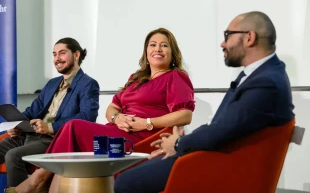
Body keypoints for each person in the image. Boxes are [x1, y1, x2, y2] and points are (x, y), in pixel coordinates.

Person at [114, 11, 295, 193]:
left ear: (249, 38)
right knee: (135, 171)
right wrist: (178, 142)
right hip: (212, 156)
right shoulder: (261, 75)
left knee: (125, 181)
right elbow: (222, 125)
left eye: (228, 35)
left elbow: (221, 131)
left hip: (218, 165)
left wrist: (178, 144)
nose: (223, 43)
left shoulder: (265, 82)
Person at [8, 28, 195, 193]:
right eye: (153, 44)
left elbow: (185, 115)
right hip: (116, 129)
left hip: (143, 137)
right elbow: (112, 107)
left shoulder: (176, 77)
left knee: (74, 126)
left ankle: (38, 179)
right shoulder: (136, 78)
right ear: (146, 51)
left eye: (164, 45)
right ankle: (44, 183)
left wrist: (146, 123)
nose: (158, 49)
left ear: (172, 52)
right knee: (71, 145)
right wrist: (116, 117)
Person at [0, 37, 100, 189]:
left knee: (13, 156)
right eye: (54, 54)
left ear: (76, 54)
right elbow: (32, 111)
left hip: (54, 139)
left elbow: (87, 117)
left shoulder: (88, 84)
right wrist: (17, 124)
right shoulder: (52, 83)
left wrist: (51, 127)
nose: (57, 58)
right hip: (30, 135)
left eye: (62, 53)